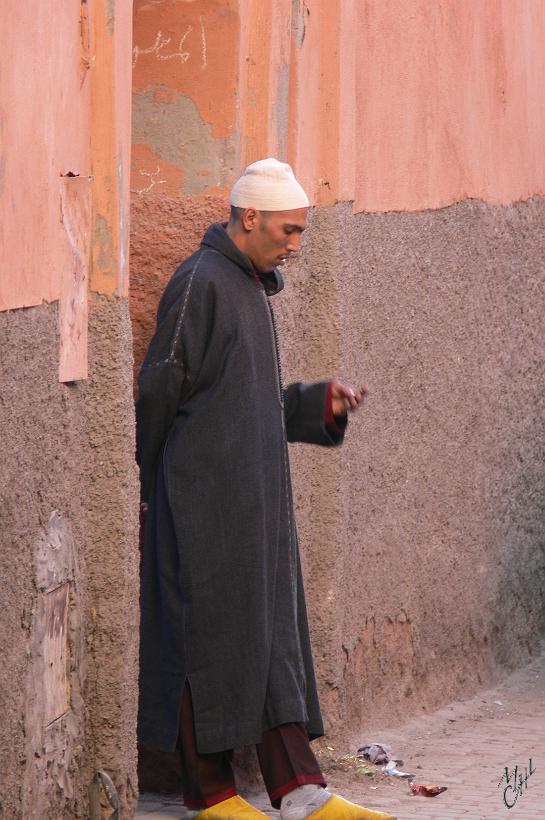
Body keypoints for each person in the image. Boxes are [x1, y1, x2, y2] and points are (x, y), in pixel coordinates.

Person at [136, 158, 395, 820]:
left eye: (302, 232)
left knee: (274, 640)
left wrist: (319, 405)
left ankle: (300, 790)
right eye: (288, 229)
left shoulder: (251, 286)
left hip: (256, 507)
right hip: (201, 504)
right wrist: (145, 480)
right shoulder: (199, 283)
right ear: (248, 217)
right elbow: (162, 388)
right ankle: (211, 793)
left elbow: (246, 401)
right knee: (205, 641)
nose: (295, 244)